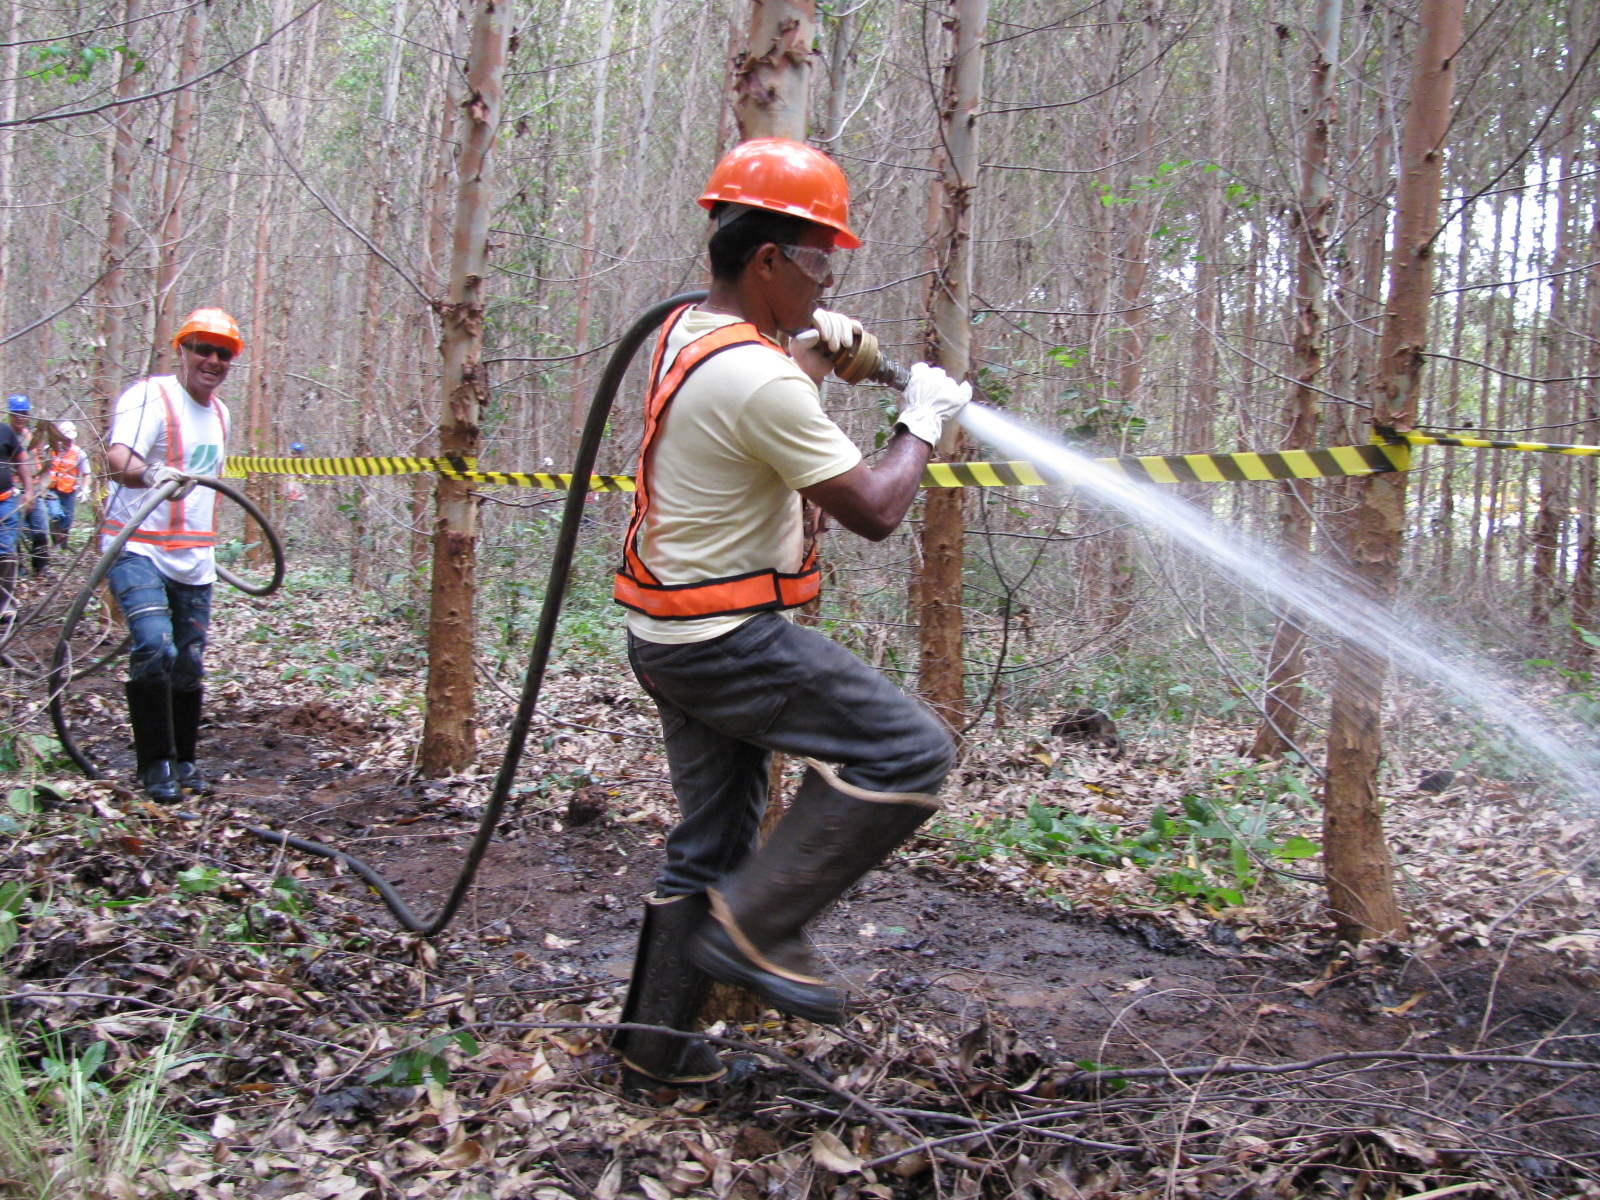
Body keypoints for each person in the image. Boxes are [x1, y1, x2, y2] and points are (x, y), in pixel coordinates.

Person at [611, 139, 971, 1091]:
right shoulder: (758, 377)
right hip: (728, 640)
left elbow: (750, 412)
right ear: (766, 260)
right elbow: (875, 510)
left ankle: (654, 1057)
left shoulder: (691, 332)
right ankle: (757, 929)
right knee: (910, 750)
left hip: (670, 637)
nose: (828, 281)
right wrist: (922, 418)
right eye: (818, 261)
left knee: (710, 847)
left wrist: (805, 354)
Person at [102, 308, 239, 802]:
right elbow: (117, 457)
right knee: (156, 646)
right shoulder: (150, 397)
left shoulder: (221, 414)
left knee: (189, 663)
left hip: (193, 560)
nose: (212, 360)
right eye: (202, 348)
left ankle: (184, 760)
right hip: (136, 547)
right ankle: (154, 763)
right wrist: (150, 474)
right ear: (182, 350)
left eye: (223, 353)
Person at [7, 395, 49, 576]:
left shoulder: (30, 435)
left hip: (34, 488)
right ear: (10, 415)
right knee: (14, 532)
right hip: (14, 490)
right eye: (16, 414)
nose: (20, 418)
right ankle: (18, 570)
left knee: (40, 529)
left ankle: (41, 567)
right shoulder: (6, 436)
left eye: (24, 414)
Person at [0, 395, 34, 614]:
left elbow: (21, 459)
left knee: (5, 552)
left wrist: (29, 491)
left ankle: (5, 606)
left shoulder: (4, 431)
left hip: (4, 501)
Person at [45, 420, 87, 551]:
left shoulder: (79, 453)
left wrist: (85, 488)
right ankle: (55, 542)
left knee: (67, 520)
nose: (67, 441)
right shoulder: (50, 450)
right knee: (55, 514)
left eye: (70, 439)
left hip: (69, 491)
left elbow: (87, 473)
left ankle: (63, 545)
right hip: (52, 489)